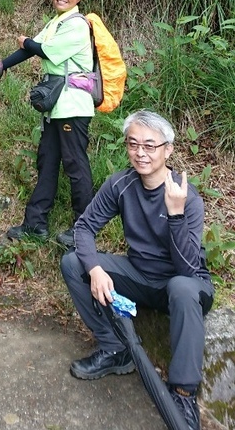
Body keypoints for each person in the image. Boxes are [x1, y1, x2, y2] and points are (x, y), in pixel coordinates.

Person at [61, 110, 213, 430]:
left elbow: (188, 268)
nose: (140, 153)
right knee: (74, 262)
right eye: (133, 144)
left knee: (182, 288)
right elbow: (84, 229)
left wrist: (175, 214)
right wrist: (96, 269)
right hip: (140, 276)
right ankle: (115, 349)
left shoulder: (187, 197)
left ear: (167, 149)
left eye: (149, 145)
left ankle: (183, 394)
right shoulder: (121, 184)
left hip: (186, 284)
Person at [0, 0, 94, 248]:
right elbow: (33, 49)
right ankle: (35, 224)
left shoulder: (77, 24)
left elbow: (45, 50)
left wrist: (27, 41)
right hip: (57, 106)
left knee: (75, 165)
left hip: (73, 106)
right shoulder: (58, 22)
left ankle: (85, 229)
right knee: (46, 161)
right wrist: (0, 66)